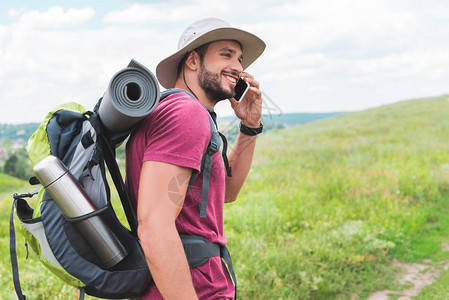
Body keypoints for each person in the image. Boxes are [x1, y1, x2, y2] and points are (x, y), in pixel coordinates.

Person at [125, 18, 265, 299]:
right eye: (226, 54)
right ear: (192, 60)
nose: (238, 67)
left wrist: (250, 126)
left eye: (239, 59)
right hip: (195, 288)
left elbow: (228, 192)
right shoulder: (186, 114)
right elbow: (154, 224)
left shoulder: (175, 112)